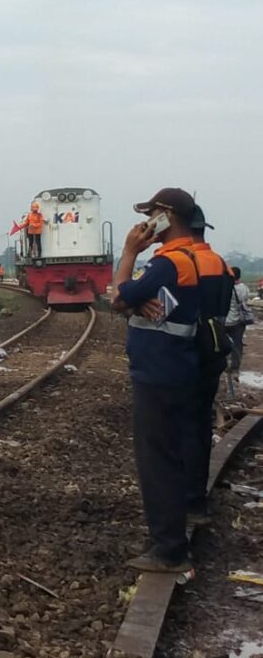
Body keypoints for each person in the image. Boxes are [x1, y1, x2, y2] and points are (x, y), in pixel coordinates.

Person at [111, 188, 200, 573]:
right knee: (171, 456)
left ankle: (169, 550)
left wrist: (130, 252)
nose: (146, 222)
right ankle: (172, 536)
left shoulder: (168, 262)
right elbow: (129, 299)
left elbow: (118, 295)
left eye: (151, 214)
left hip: (158, 374)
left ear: (166, 214)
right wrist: (132, 297)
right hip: (176, 370)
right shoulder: (186, 259)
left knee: (156, 461)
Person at [177, 206, 234, 525]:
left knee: (178, 427)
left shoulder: (182, 263)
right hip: (214, 350)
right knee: (200, 425)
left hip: (185, 354)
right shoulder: (221, 264)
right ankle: (196, 499)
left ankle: (181, 500)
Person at [225, 266, 254, 396]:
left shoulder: (226, 288)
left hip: (226, 320)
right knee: (237, 344)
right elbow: (245, 301)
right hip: (239, 321)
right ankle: (235, 367)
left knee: (222, 343)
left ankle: (223, 364)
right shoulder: (244, 288)